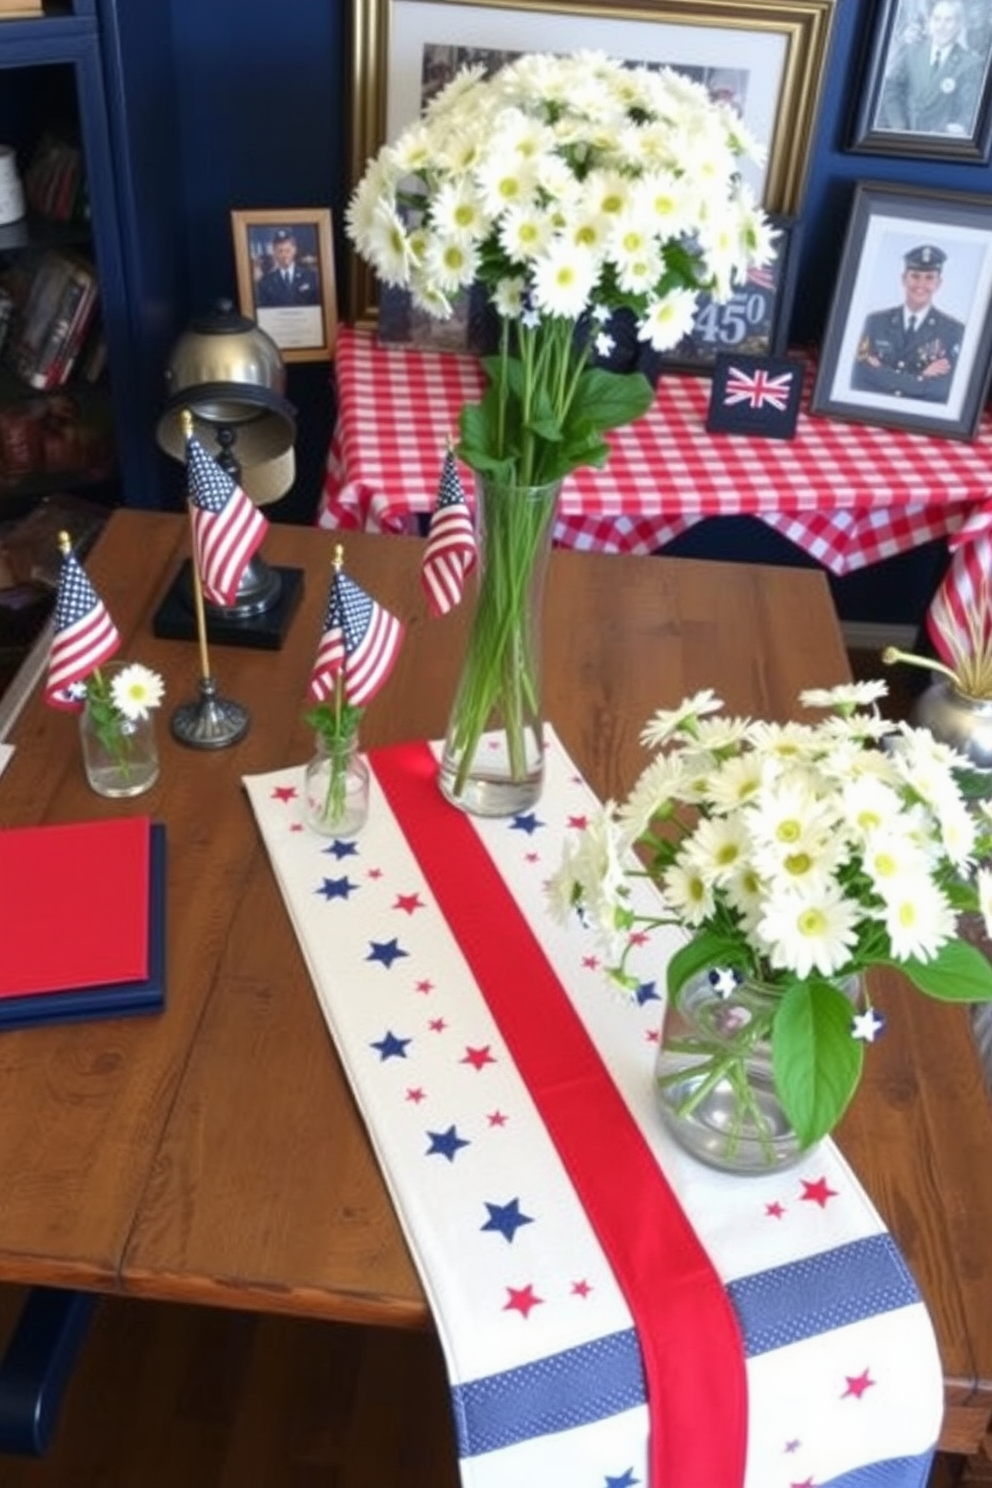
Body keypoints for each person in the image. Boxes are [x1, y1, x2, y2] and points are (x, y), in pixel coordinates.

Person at [851, 243, 964, 403]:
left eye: (929, 277)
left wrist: (882, 372)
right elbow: (860, 373)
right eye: (915, 276)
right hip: (876, 405)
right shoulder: (874, 322)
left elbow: (943, 388)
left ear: (938, 283)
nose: (920, 284)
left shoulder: (954, 330)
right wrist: (921, 377)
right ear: (904, 279)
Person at [877, 0, 984, 136]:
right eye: (936, 19)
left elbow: (969, 108)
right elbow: (891, 88)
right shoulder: (912, 52)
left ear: (959, 25)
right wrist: (899, 125)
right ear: (929, 23)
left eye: (948, 20)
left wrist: (954, 129)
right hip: (904, 132)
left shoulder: (970, 64)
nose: (941, 26)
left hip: (939, 138)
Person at [255, 228, 319, 307]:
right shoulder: (266, 282)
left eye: (288, 250)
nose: (284, 255)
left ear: (295, 250)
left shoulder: (310, 277)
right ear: (274, 252)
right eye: (280, 251)